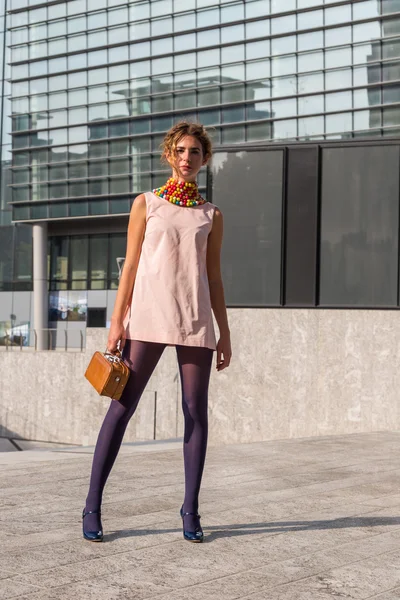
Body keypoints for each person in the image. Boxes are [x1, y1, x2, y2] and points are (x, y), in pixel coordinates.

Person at [82, 121, 232, 543]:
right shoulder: (146, 204)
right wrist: (116, 322)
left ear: (205, 160)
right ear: (169, 155)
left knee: (194, 411)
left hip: (195, 320)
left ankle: (190, 510)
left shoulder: (211, 215)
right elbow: (129, 265)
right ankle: (92, 505)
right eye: (181, 151)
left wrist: (225, 332)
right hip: (147, 316)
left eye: (196, 153)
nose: (188, 158)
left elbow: (215, 278)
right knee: (121, 407)